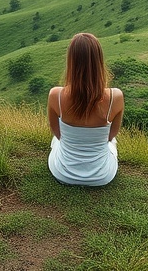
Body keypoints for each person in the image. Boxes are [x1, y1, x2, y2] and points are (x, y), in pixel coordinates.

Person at [47, 33, 124, 186]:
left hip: (62, 172)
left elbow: (58, 134)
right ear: (99, 61)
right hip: (102, 176)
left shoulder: (56, 95)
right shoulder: (116, 96)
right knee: (112, 143)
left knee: (56, 142)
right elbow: (110, 136)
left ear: (71, 61)